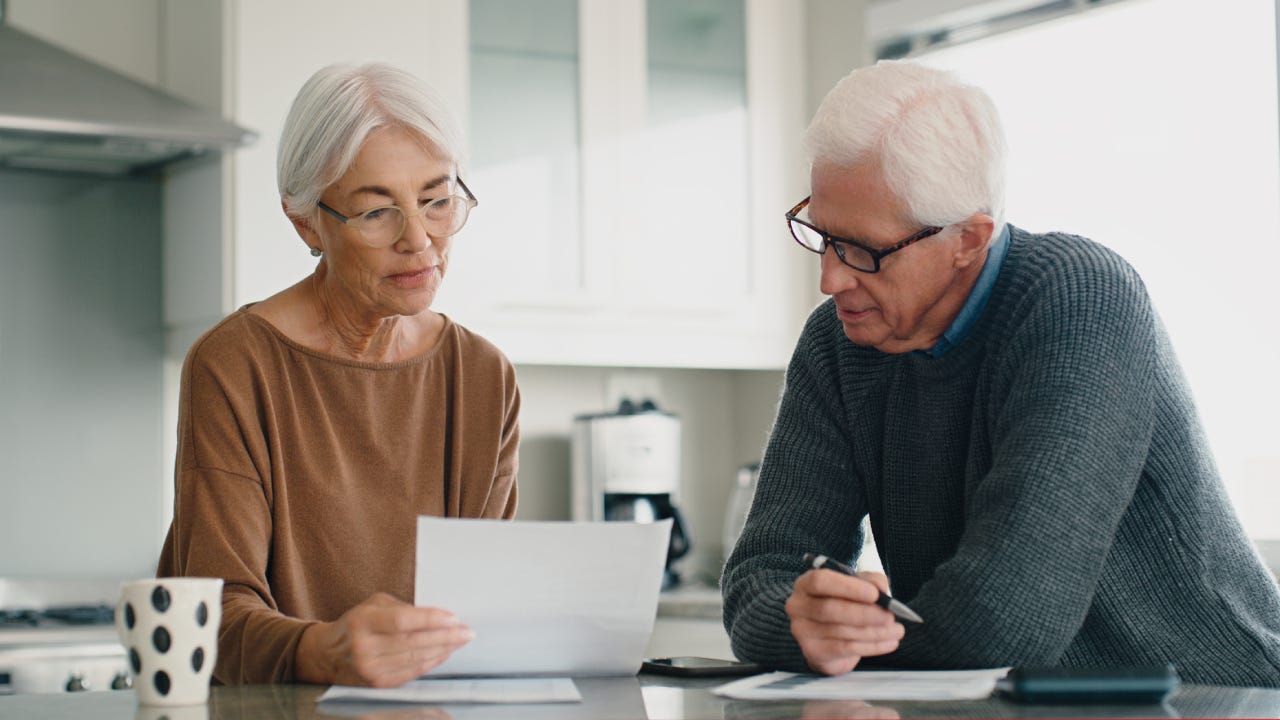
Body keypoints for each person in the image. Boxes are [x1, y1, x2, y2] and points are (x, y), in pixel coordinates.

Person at [721, 60, 1280, 687]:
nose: (830, 279)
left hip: (1216, 696)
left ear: (968, 240)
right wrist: (802, 622)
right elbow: (757, 582)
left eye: (863, 250)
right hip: (999, 701)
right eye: (821, 235)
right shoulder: (839, 344)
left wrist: (839, 645)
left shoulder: (1081, 299)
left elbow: (1002, 622)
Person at [157, 62, 520, 687]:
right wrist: (322, 650)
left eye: (437, 200)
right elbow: (210, 617)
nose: (420, 241)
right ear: (305, 221)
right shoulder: (235, 364)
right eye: (378, 212)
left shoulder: (483, 375)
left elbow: (485, 610)